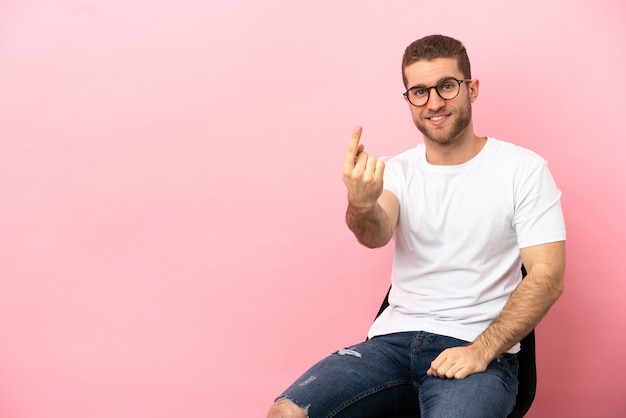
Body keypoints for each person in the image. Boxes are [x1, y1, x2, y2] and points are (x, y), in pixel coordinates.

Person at [267, 34, 566, 418]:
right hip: (390, 344)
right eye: (419, 92)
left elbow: (547, 276)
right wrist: (360, 201)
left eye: (446, 86)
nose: (434, 102)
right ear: (408, 100)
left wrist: (480, 351)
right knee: (287, 412)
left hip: (475, 346)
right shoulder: (397, 171)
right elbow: (374, 233)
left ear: (471, 88)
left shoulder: (523, 170)